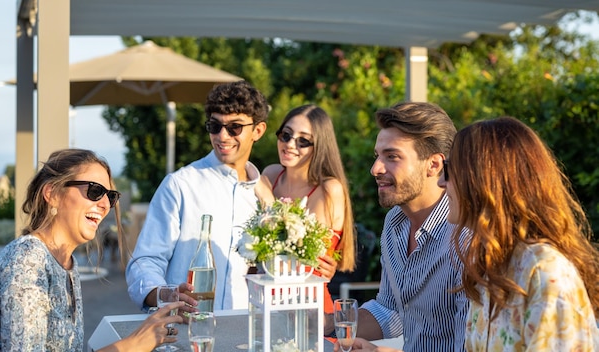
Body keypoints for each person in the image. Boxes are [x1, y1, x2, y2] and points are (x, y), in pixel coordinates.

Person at [0, 148, 185, 351]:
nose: (105, 204)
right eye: (94, 191)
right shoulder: (27, 260)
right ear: (52, 193)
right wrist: (131, 346)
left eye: (110, 197)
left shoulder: (67, 263)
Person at [438, 117, 599, 350]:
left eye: (450, 169)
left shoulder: (544, 271)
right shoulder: (487, 266)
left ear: (486, 180)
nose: (442, 181)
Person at [126, 80, 270, 314]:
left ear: (258, 130)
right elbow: (146, 261)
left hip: (245, 332)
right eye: (214, 126)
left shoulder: (263, 197)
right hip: (186, 330)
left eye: (234, 127)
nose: (222, 136)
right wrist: (165, 294)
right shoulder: (180, 185)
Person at [342, 102, 469, 352]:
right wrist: (324, 323)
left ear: (434, 165)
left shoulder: (465, 238)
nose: (375, 169)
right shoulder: (394, 221)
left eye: (392, 157)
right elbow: (390, 311)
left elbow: (467, 347)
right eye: (377, 156)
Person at [254, 104, 357, 335]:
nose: (290, 144)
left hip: (310, 314)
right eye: (286, 135)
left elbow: (302, 260)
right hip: (265, 306)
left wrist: (267, 199)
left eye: (303, 141)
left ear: (319, 146)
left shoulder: (329, 189)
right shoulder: (271, 174)